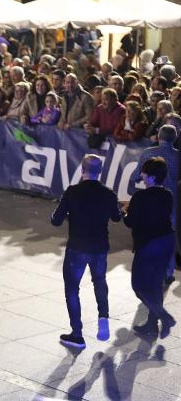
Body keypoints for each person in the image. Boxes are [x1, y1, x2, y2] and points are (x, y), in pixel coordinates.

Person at [51, 154, 122, 348]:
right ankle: (103, 318)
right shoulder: (108, 193)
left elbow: (55, 220)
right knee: (99, 281)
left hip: (77, 248)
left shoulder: (72, 192)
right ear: (100, 172)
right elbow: (117, 218)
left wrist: (66, 214)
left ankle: (77, 333)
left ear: (82, 170)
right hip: (99, 247)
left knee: (72, 288)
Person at [124, 157, 176, 338]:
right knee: (155, 285)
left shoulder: (140, 197)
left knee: (138, 285)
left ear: (152, 177)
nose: (142, 175)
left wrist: (126, 212)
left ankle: (164, 317)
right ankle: (152, 325)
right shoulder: (167, 194)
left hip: (148, 245)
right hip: (167, 242)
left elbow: (130, 222)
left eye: (144, 173)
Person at [132, 125, 179, 283]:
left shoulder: (148, 153)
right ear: (176, 138)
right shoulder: (179, 157)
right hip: (170, 202)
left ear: (159, 137)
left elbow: (135, 177)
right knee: (168, 236)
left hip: (150, 201)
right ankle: (169, 272)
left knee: (149, 235)